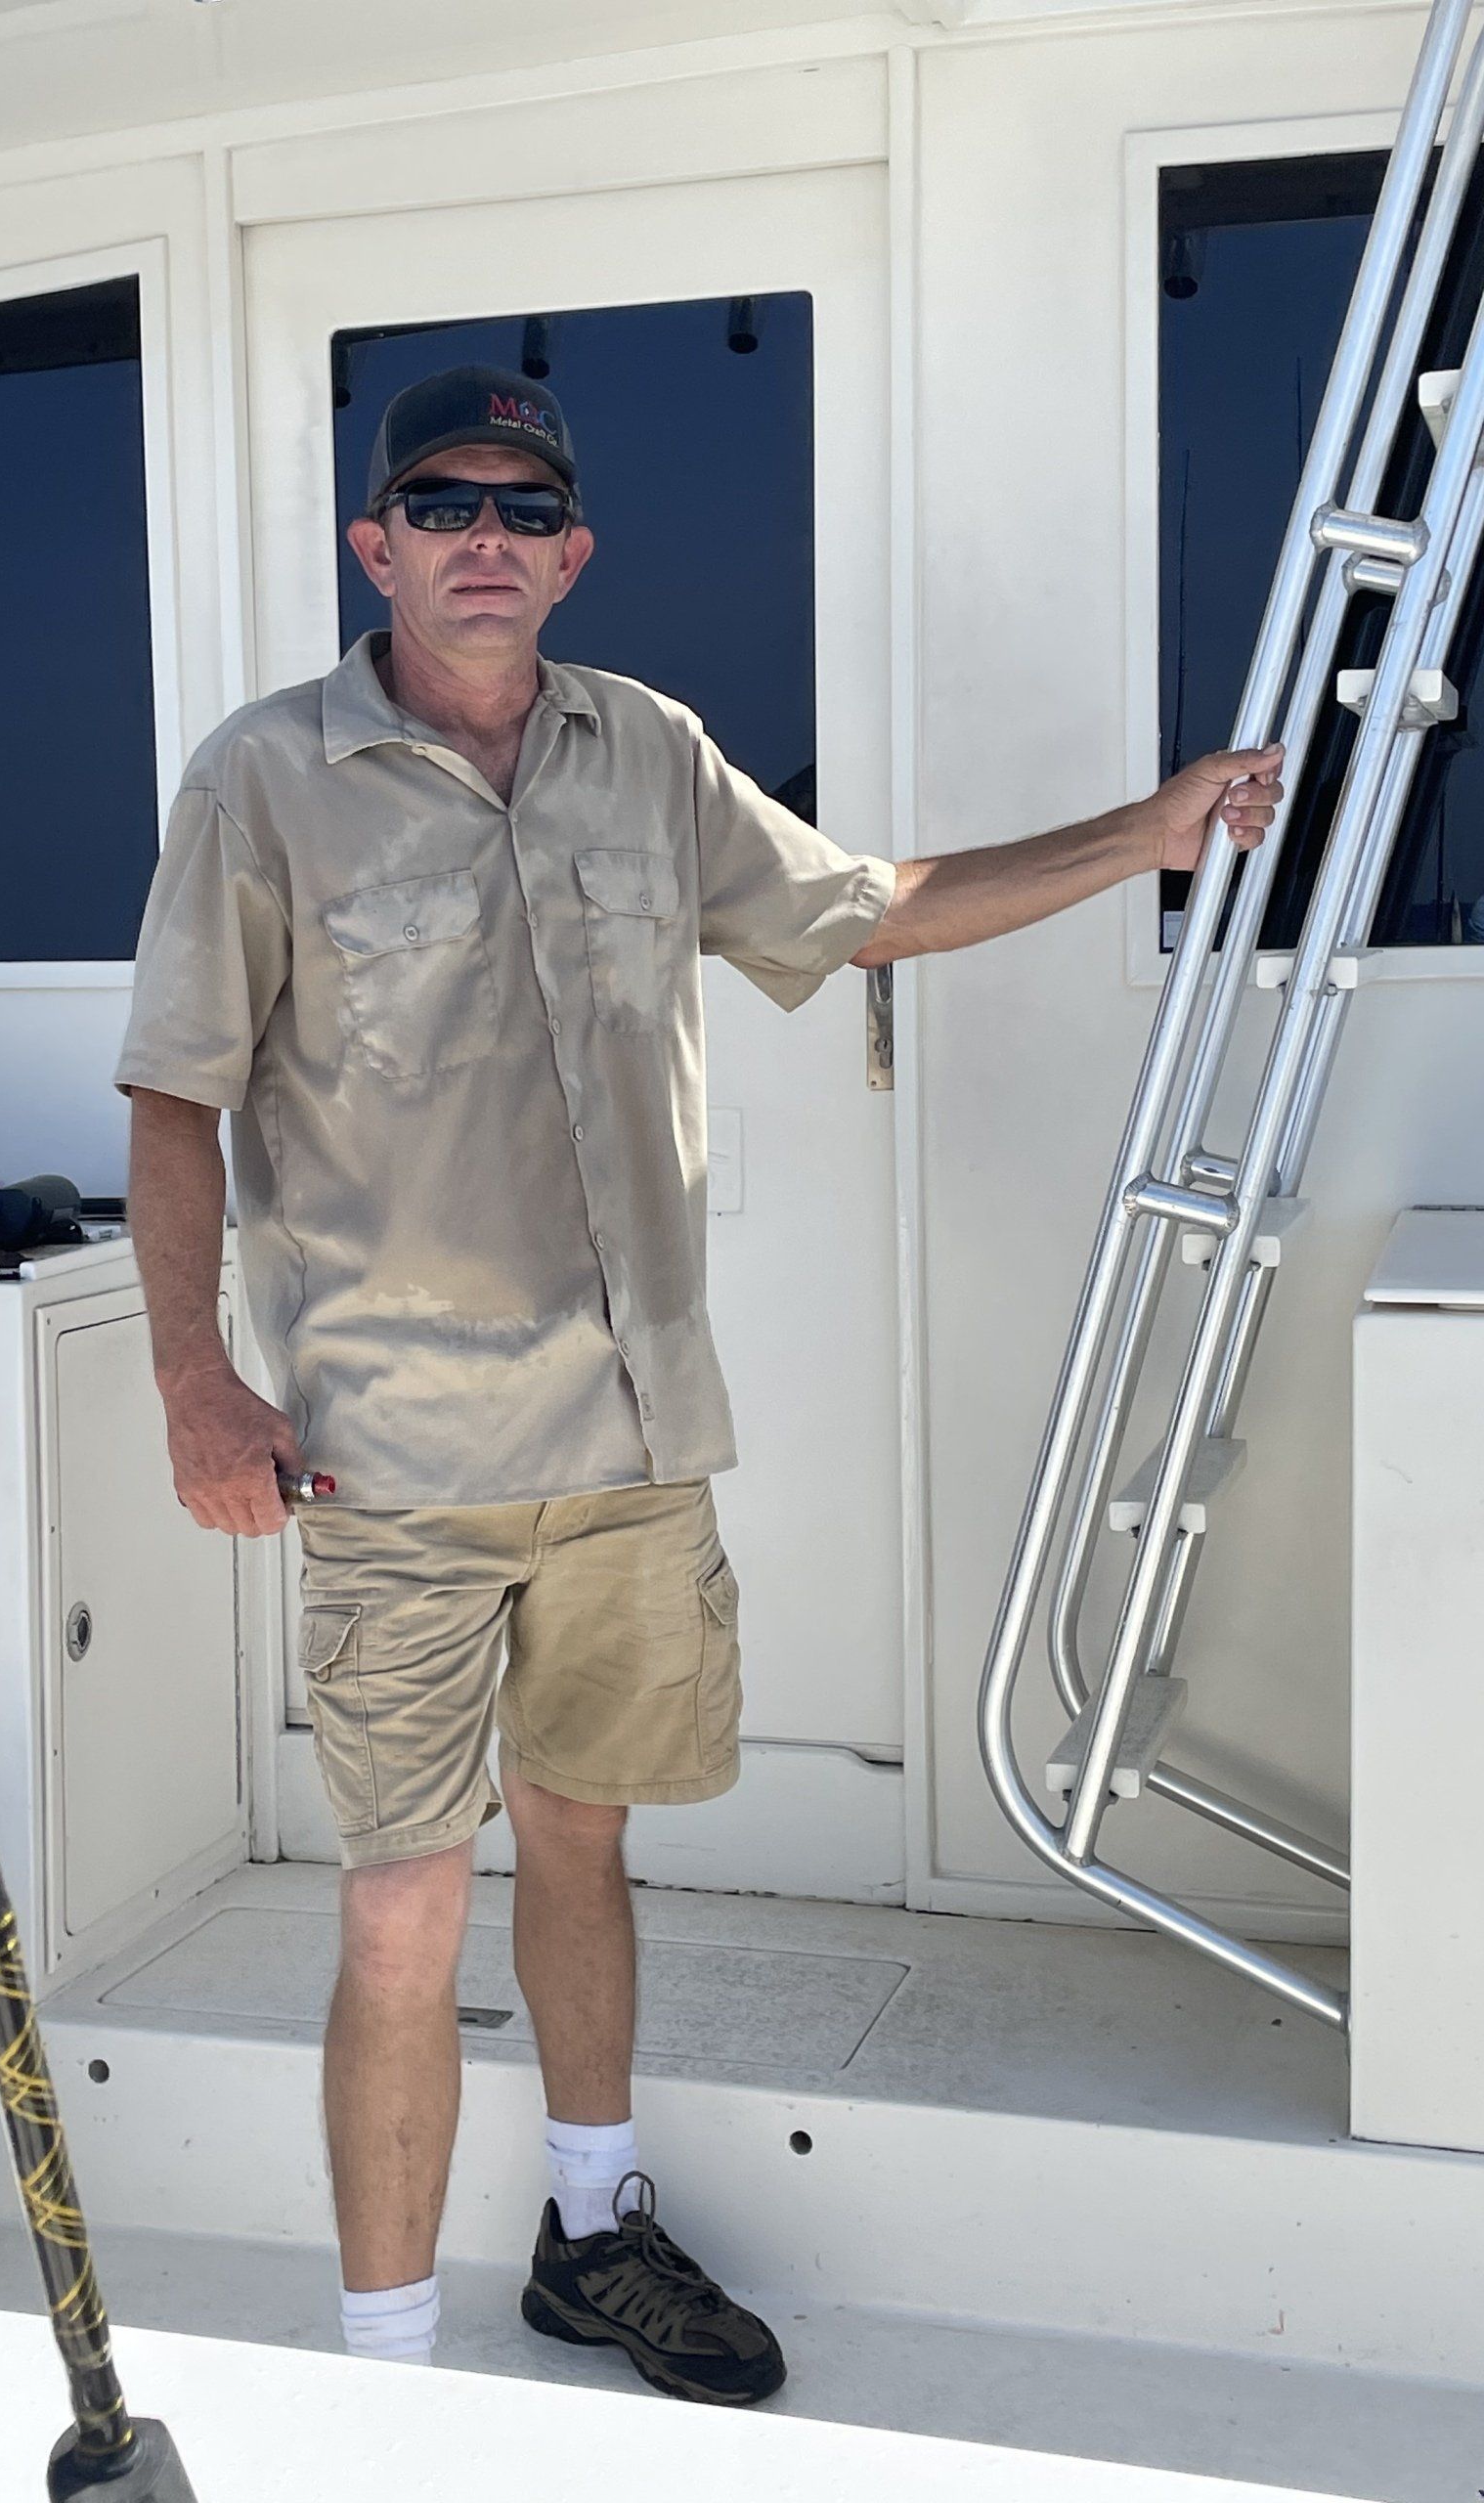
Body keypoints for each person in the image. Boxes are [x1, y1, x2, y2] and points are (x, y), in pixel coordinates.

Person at [114, 364, 1282, 2402]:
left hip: (636, 1449)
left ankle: (594, 2226)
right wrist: (200, 1384)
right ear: (377, 543)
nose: (486, 531)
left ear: (570, 552)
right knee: (400, 1909)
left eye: (525, 503)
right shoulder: (261, 777)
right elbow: (174, 1095)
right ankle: (379, 2376)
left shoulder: (647, 749)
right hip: (391, 1452)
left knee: (583, 1844)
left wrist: (1151, 831)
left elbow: (875, 908)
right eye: (442, 499)